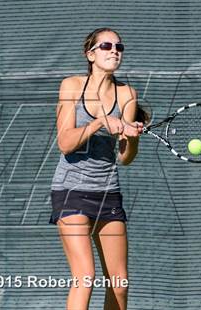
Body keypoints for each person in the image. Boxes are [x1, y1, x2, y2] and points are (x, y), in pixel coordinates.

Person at [49, 27, 148, 310]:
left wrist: (132, 139)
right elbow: (65, 143)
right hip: (71, 191)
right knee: (85, 277)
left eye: (119, 46)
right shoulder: (71, 86)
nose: (114, 50)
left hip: (108, 192)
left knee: (119, 283)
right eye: (106, 46)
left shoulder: (127, 94)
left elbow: (125, 158)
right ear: (90, 54)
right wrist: (99, 122)